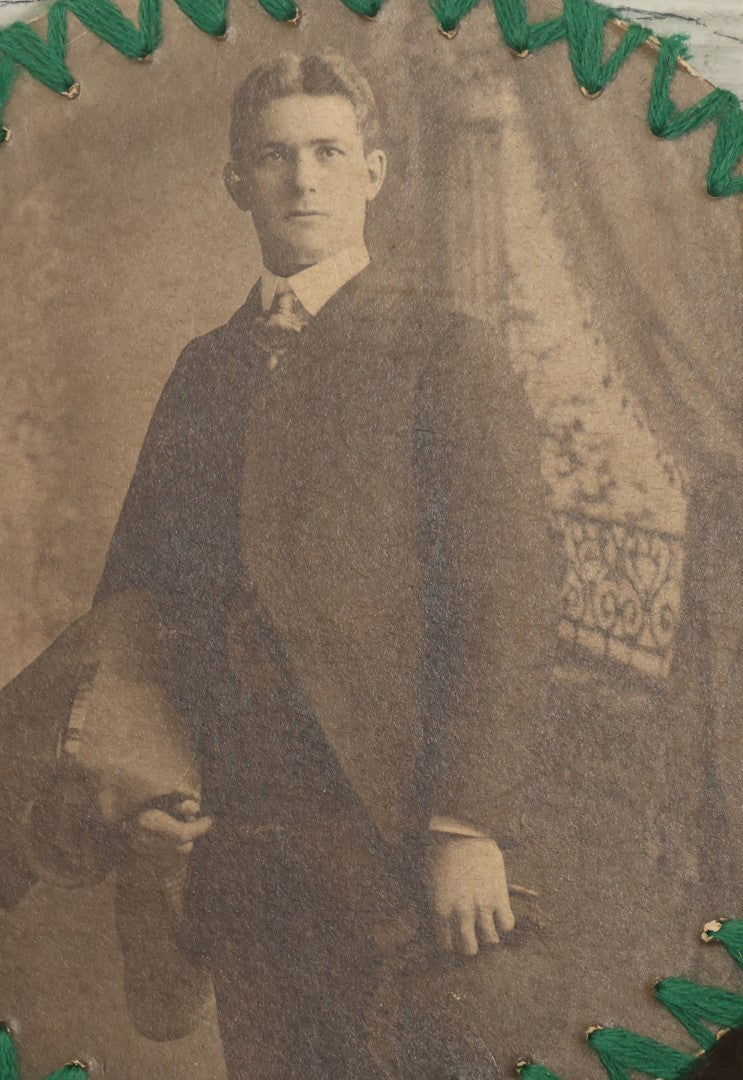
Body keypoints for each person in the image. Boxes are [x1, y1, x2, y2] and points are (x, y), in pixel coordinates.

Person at [10, 49, 556, 1078]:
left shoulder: (442, 351)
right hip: (237, 837)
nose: (302, 179)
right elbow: (134, 601)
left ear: (373, 171)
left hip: (392, 831)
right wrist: (146, 775)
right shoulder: (204, 369)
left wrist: (465, 821)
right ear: (235, 183)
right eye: (272, 157)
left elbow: (505, 600)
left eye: (326, 152)